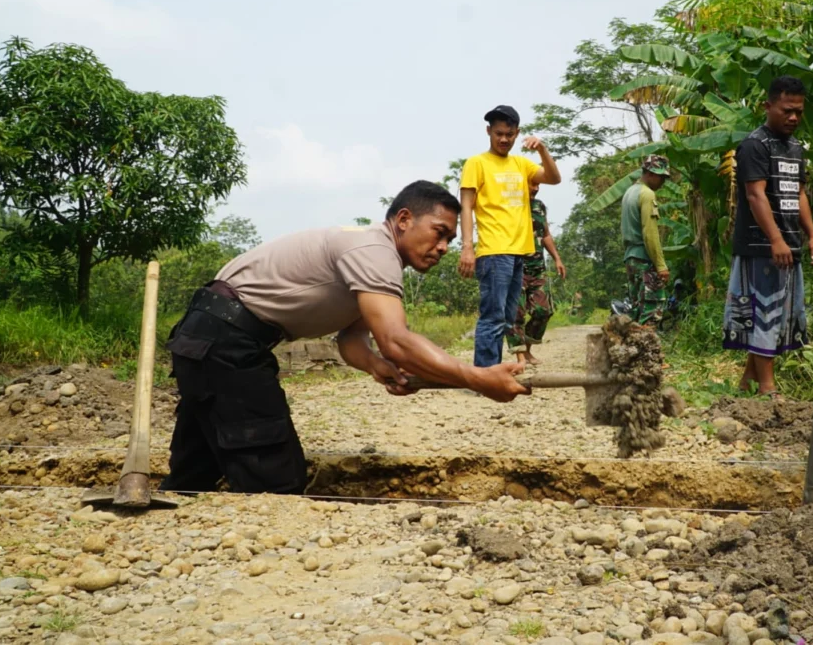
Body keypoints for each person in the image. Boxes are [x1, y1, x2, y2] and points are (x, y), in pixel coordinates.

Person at [160, 181, 529, 495]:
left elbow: (350, 340)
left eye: (450, 238)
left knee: (195, 475)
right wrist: (479, 379)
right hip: (226, 342)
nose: (444, 247)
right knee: (274, 480)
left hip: (209, 337)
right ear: (403, 220)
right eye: (439, 232)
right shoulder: (374, 251)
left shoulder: (371, 259)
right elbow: (396, 341)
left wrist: (374, 365)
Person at [723, 76, 813, 400]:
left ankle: (746, 383)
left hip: (789, 244)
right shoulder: (755, 145)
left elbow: (800, 193)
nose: (794, 117)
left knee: (780, 314)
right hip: (760, 246)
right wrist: (776, 240)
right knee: (763, 311)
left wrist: (811, 235)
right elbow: (755, 195)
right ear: (768, 107)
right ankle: (768, 388)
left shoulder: (796, 148)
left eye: (799, 111)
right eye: (787, 110)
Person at [458, 105, 562, 367]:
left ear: (518, 133)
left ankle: (493, 371)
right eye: (498, 133)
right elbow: (466, 206)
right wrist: (467, 247)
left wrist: (542, 149)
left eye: (510, 134)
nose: (504, 139)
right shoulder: (477, 163)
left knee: (507, 318)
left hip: (520, 252)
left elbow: (554, 178)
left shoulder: (521, 163)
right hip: (494, 251)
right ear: (488, 132)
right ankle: (485, 374)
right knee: (492, 317)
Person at [507, 184, 566, 365]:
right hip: (516, 267)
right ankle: (520, 356)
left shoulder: (539, 206)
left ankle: (528, 350)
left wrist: (557, 258)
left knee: (543, 311)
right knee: (516, 314)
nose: (535, 188)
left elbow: (545, 234)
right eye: (531, 184)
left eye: (538, 184)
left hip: (537, 268)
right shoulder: (511, 205)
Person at [621, 155, 672, 326]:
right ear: (650, 173)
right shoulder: (647, 194)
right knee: (651, 310)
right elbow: (649, 234)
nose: (663, 182)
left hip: (631, 258)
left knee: (636, 309)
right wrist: (661, 265)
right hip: (644, 259)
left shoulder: (630, 192)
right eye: (661, 177)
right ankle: (645, 351)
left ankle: (632, 351)